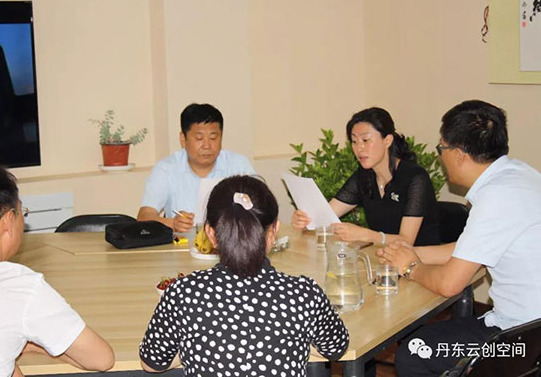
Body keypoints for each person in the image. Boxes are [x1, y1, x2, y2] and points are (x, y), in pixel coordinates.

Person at [378, 100, 541, 376]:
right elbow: (471, 247)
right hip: (535, 331)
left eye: (441, 148)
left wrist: (410, 267)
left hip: (523, 343)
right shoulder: (521, 176)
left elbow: (449, 284)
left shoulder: (495, 197)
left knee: (416, 350)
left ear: (458, 154)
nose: (440, 156)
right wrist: (411, 252)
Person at [139, 175, 349, 375]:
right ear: (274, 231)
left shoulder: (183, 294)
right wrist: (296, 341)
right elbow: (336, 348)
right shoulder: (303, 294)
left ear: (210, 233)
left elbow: (152, 363)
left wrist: (190, 347)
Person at [0, 160, 115, 377]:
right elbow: (101, 359)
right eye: (22, 213)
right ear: (8, 220)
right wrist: (37, 345)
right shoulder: (16, 284)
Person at [292, 107, 440, 246]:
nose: (359, 148)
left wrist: (367, 235)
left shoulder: (415, 178)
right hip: (382, 256)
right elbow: (324, 216)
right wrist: (305, 221)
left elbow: (406, 241)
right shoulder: (364, 176)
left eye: (365, 140)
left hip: (420, 260)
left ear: (387, 140)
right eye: (354, 141)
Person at [137, 103, 255, 233]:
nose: (207, 145)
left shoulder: (238, 164)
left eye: (213, 138)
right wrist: (172, 223)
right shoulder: (166, 169)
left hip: (230, 241)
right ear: (183, 139)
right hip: (183, 243)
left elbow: (262, 205)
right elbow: (144, 217)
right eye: (199, 138)